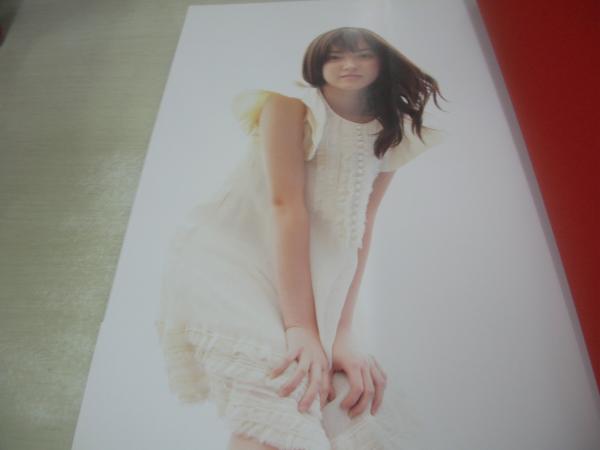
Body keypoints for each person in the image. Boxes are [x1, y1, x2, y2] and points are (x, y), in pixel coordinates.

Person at [155, 26, 445, 450]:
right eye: (335, 56)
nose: (349, 64)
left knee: (347, 403)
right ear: (316, 64)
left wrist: (342, 332)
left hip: (313, 279)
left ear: (382, 62)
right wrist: (300, 328)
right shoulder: (290, 106)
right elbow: (285, 206)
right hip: (233, 261)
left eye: (362, 54)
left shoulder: (393, 129)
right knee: (281, 401)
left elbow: (362, 225)